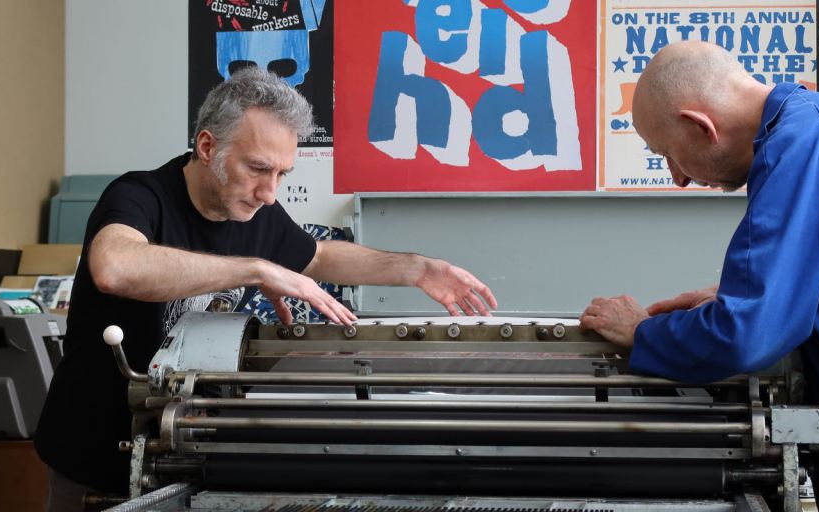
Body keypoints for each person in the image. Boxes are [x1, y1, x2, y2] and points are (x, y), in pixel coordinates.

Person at [34, 67, 498, 510]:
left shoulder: (257, 212)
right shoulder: (139, 196)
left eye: (281, 174)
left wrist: (415, 269)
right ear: (207, 146)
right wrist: (256, 269)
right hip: (93, 461)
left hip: (182, 455)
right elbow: (115, 268)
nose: (270, 192)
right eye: (257, 168)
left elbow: (319, 256)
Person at [580, 41, 819, 511]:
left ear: (700, 126)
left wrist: (643, 332)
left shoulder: (801, 145)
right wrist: (737, 292)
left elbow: (748, 335)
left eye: (667, 154)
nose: (677, 177)